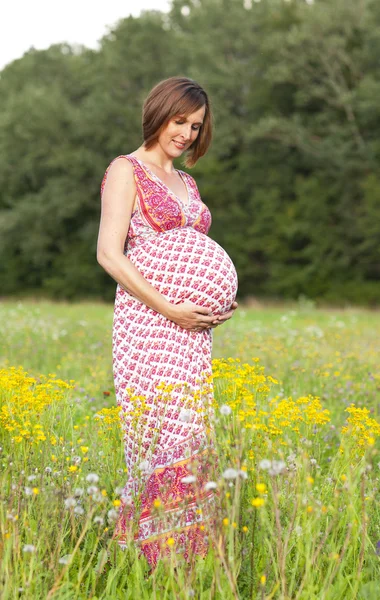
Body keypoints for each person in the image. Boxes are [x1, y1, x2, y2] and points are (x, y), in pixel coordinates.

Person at [97, 76, 238, 570]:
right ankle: (144, 560)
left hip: (192, 332)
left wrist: (215, 296)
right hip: (148, 324)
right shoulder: (126, 171)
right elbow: (110, 255)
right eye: (180, 121)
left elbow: (193, 255)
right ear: (159, 112)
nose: (186, 133)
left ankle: (187, 559)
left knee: (192, 434)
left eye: (196, 127)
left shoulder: (188, 181)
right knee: (159, 435)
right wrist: (170, 307)